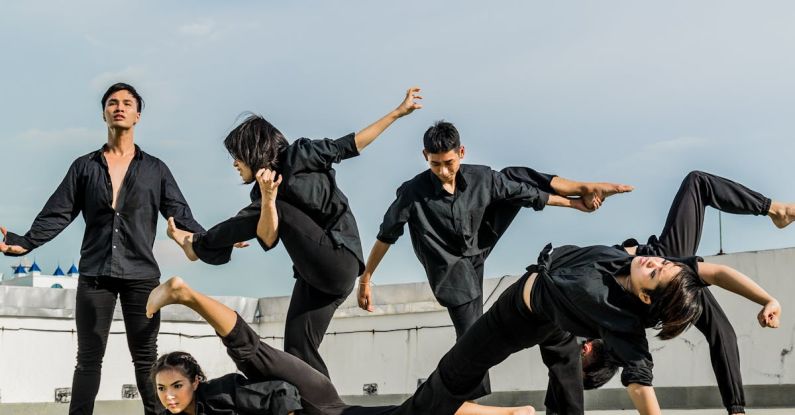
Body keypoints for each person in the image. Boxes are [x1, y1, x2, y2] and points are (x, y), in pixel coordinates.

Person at [357, 120, 633, 401]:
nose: (443, 171)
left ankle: (583, 187)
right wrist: (366, 278)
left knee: (513, 177)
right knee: (471, 337)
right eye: (435, 164)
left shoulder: (481, 178)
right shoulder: (411, 193)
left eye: (449, 163)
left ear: (461, 152)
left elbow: (528, 194)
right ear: (425, 157)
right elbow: (386, 236)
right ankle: (468, 401)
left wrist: (575, 203)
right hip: (449, 268)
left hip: (481, 241)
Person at [166, 87, 422, 378]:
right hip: (313, 276)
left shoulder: (301, 154)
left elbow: (350, 145)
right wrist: (266, 199)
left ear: (253, 151)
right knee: (298, 352)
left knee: (277, 207)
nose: (234, 164)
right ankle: (325, 409)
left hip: (339, 259)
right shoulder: (260, 192)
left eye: (237, 156)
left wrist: (398, 113)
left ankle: (197, 246)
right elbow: (268, 237)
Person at [0, 83, 205, 415]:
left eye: (127, 103)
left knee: (146, 360)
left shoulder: (156, 169)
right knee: (88, 359)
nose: (119, 107)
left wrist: (214, 239)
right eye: (112, 102)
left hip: (141, 276)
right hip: (95, 274)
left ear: (138, 114)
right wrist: (25, 243)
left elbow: (180, 214)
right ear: (104, 113)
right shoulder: (84, 167)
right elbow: (59, 211)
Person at [396, 239, 780, 415]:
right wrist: (767, 299)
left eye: (656, 273)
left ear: (647, 298)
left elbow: (639, 382)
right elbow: (716, 271)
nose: (654, 263)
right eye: (661, 263)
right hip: (560, 324)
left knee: (444, 386)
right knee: (566, 391)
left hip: (515, 320)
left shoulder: (619, 317)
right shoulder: (639, 263)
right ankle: (516, 414)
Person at [146, 276, 537, 415]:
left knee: (251, 350)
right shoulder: (191, 410)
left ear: (196, 381)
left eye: (176, 386)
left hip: (316, 404)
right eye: (162, 389)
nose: (169, 396)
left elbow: (281, 396)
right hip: (325, 404)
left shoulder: (217, 396)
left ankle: (186, 294)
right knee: (413, 410)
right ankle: (510, 413)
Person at [573, 170, 794, 415]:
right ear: (590, 357)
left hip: (668, 297)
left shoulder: (609, 328)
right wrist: (767, 299)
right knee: (698, 182)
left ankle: (736, 410)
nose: (580, 347)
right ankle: (777, 211)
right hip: (661, 265)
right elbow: (717, 273)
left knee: (722, 332)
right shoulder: (609, 317)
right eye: (580, 356)